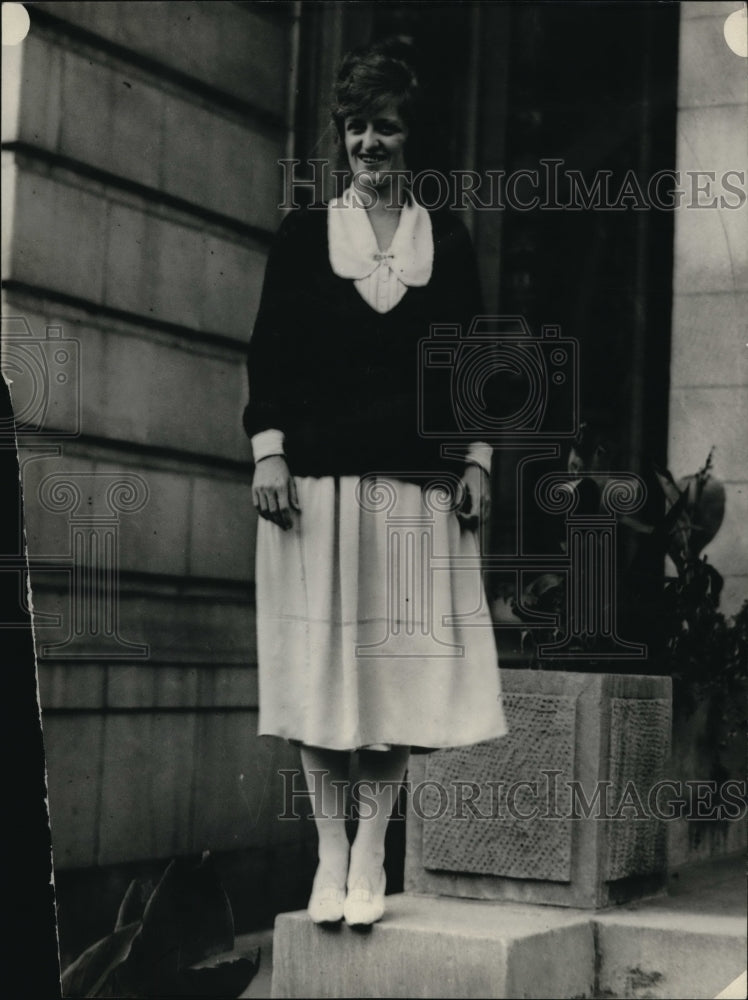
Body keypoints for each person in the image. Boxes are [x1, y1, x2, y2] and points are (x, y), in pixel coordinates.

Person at [243, 38, 507, 927]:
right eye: (356, 126)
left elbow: (472, 366)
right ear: (342, 134)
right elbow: (270, 354)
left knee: (394, 682)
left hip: (414, 495)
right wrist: (269, 451)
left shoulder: (447, 241)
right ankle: (329, 854)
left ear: (410, 136)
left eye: (385, 126)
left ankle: (370, 855)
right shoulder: (303, 237)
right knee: (323, 679)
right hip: (317, 495)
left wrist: (477, 460)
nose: (369, 142)